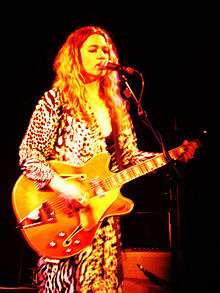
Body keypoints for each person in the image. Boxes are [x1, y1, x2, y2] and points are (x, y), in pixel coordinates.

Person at [17, 25, 195, 292]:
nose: (102, 54)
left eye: (106, 49)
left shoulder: (117, 108)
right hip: (65, 218)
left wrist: (168, 157)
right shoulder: (55, 101)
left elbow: (130, 158)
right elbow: (29, 155)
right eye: (93, 49)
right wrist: (64, 187)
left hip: (102, 224)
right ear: (75, 56)